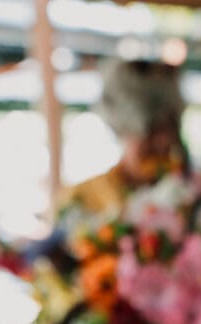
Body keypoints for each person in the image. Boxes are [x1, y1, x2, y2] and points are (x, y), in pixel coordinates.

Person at [59, 59, 187, 218]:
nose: (163, 143)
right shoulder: (81, 198)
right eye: (151, 131)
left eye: (169, 130)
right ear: (124, 130)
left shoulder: (189, 194)